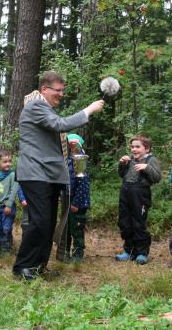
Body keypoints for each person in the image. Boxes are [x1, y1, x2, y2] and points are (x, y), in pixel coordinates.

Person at [12, 71, 104, 281]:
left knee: (48, 223)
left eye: (63, 90)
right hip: (36, 173)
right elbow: (60, 125)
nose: (61, 94)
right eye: (58, 90)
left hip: (49, 175)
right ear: (44, 89)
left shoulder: (45, 110)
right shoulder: (36, 105)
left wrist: (65, 144)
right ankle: (23, 266)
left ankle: (38, 266)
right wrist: (88, 110)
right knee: (40, 221)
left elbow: (50, 133)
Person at [115, 134, 163, 265]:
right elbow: (121, 175)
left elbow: (157, 177)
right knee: (125, 222)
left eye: (138, 147)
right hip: (125, 193)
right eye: (132, 147)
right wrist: (122, 164)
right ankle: (128, 251)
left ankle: (142, 253)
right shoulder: (129, 159)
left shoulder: (151, 160)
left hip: (140, 196)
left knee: (138, 223)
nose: (134, 149)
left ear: (146, 149)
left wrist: (146, 168)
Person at [63, 134, 90, 262]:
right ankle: (65, 251)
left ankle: (78, 252)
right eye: (70, 145)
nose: (72, 148)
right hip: (67, 199)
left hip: (78, 202)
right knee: (66, 227)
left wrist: (76, 203)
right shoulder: (66, 160)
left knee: (77, 227)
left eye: (75, 146)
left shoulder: (80, 160)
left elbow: (83, 184)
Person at [0, 150, 18, 254]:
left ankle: (6, 248)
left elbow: (13, 191)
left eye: (10, 161)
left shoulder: (12, 175)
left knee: (6, 227)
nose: (8, 164)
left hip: (7, 207)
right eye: (5, 161)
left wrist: (9, 205)